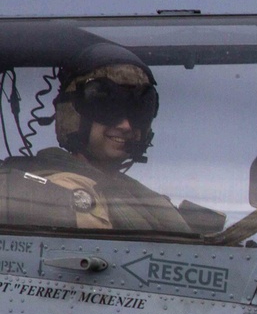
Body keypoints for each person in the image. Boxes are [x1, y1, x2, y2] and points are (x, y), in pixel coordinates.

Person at [0, 42, 190, 232]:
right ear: (73, 116)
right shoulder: (62, 191)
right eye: (107, 108)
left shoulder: (131, 193)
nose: (126, 125)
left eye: (138, 111)